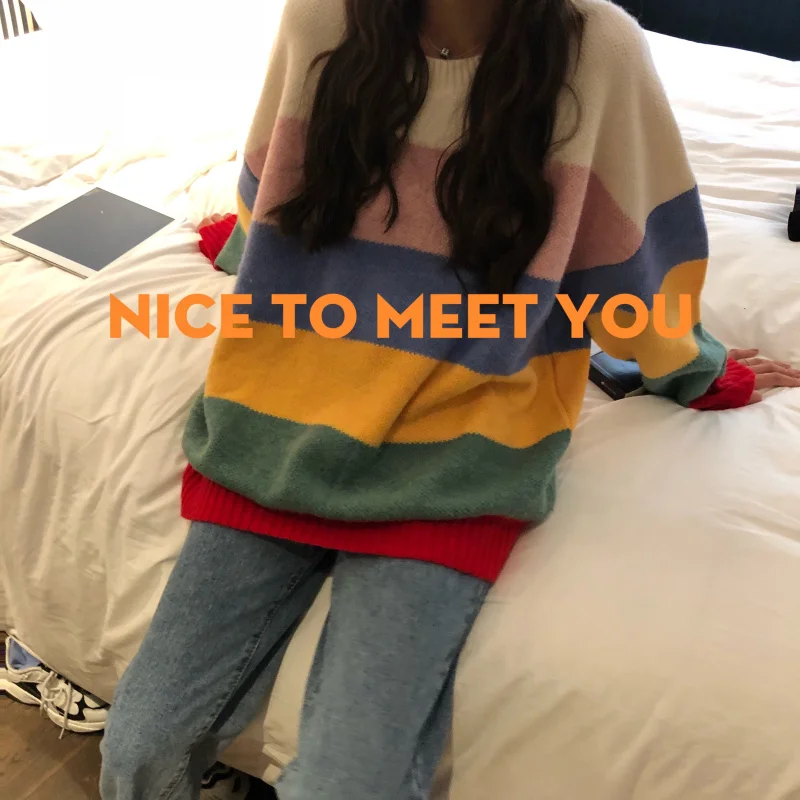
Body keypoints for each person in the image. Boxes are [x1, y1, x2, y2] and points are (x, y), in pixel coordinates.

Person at [99, 1, 800, 798]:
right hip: (278, 418)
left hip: (462, 448)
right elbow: (273, 192)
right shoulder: (319, 17)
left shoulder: (596, 45)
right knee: (137, 752)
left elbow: (631, 263)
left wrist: (693, 368)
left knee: (345, 786)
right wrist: (243, 247)